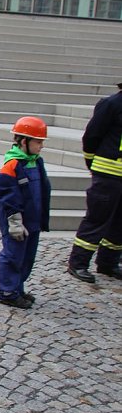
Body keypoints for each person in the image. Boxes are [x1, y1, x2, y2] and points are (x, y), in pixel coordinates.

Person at [67, 80, 122, 283]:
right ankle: (78, 263)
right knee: (97, 219)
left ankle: (108, 263)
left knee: (119, 223)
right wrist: (92, 162)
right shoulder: (111, 104)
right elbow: (91, 136)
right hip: (108, 173)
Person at [0, 117, 51, 309]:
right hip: (16, 220)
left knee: (27, 256)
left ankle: (18, 287)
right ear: (24, 141)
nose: (41, 146)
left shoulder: (37, 162)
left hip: (32, 218)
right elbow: (8, 197)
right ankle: (7, 291)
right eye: (38, 142)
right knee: (13, 255)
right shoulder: (12, 166)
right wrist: (15, 222)